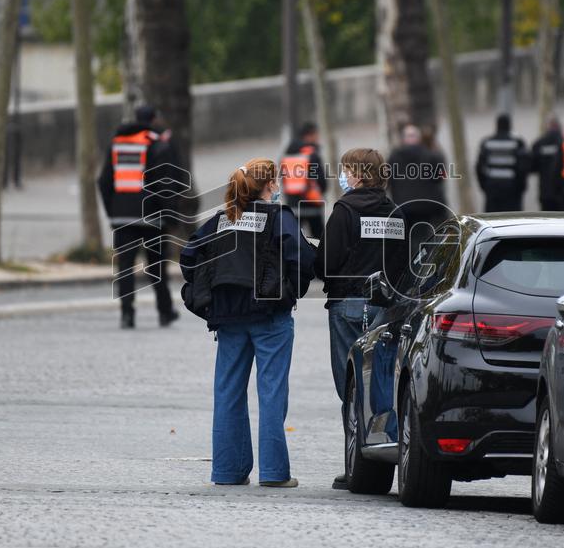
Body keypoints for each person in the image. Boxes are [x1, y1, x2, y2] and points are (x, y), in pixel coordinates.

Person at [180, 159, 316, 488]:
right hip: (270, 316)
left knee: (227, 392)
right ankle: (273, 473)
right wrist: (290, 292)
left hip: (228, 317)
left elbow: (189, 256)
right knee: (271, 393)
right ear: (269, 185)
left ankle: (227, 470)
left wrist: (211, 292)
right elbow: (301, 259)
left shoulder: (221, 220)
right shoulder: (278, 217)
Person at [316, 148, 408, 490]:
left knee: (350, 386)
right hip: (384, 306)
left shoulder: (344, 211)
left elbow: (327, 260)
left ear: (356, 174)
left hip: (347, 305)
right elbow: (403, 263)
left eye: (344, 170)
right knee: (381, 382)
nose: (342, 177)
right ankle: (386, 449)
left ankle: (357, 467)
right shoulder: (396, 212)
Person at [97, 104, 186, 329]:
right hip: (152, 219)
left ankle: (127, 315)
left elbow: (104, 181)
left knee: (125, 268)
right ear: (154, 119)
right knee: (156, 268)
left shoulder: (116, 144)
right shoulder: (157, 145)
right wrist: (172, 217)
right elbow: (165, 185)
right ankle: (165, 312)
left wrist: (113, 211)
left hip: (122, 218)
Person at [387, 123, 448, 255]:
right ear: (418, 138)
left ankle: (412, 264)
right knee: (428, 237)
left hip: (404, 206)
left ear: (403, 139)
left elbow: (387, 180)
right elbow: (440, 177)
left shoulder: (393, 157)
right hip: (428, 206)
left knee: (409, 240)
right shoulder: (431, 155)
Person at [280, 123, 327, 240]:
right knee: (319, 243)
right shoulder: (312, 155)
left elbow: (283, 179)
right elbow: (322, 182)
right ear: (309, 136)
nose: (317, 138)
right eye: (316, 134)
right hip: (312, 205)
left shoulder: (286, 155)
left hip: (293, 207)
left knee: (294, 241)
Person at [475, 113, 529, 212]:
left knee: (492, 221)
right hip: (512, 190)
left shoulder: (487, 143)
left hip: (492, 189)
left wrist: (485, 185)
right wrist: (521, 188)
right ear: (510, 125)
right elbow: (523, 168)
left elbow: (479, 167)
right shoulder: (517, 143)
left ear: (496, 125)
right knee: (510, 221)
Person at [530, 115, 563, 211]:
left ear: (547, 126)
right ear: (559, 125)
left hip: (545, 192)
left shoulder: (539, 143)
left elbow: (532, 167)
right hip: (562, 193)